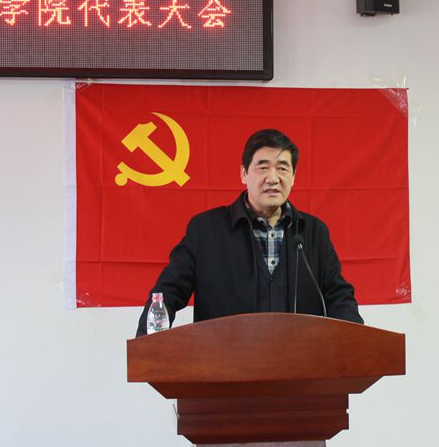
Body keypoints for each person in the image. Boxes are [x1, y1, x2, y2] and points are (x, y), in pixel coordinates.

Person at [136, 129, 363, 336]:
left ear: (293, 176)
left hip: (300, 362)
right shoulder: (206, 230)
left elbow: (339, 297)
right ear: (244, 174)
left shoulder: (313, 232)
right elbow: (167, 293)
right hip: (225, 361)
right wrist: (148, 346)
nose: (273, 178)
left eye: (282, 168)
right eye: (263, 167)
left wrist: (357, 344)